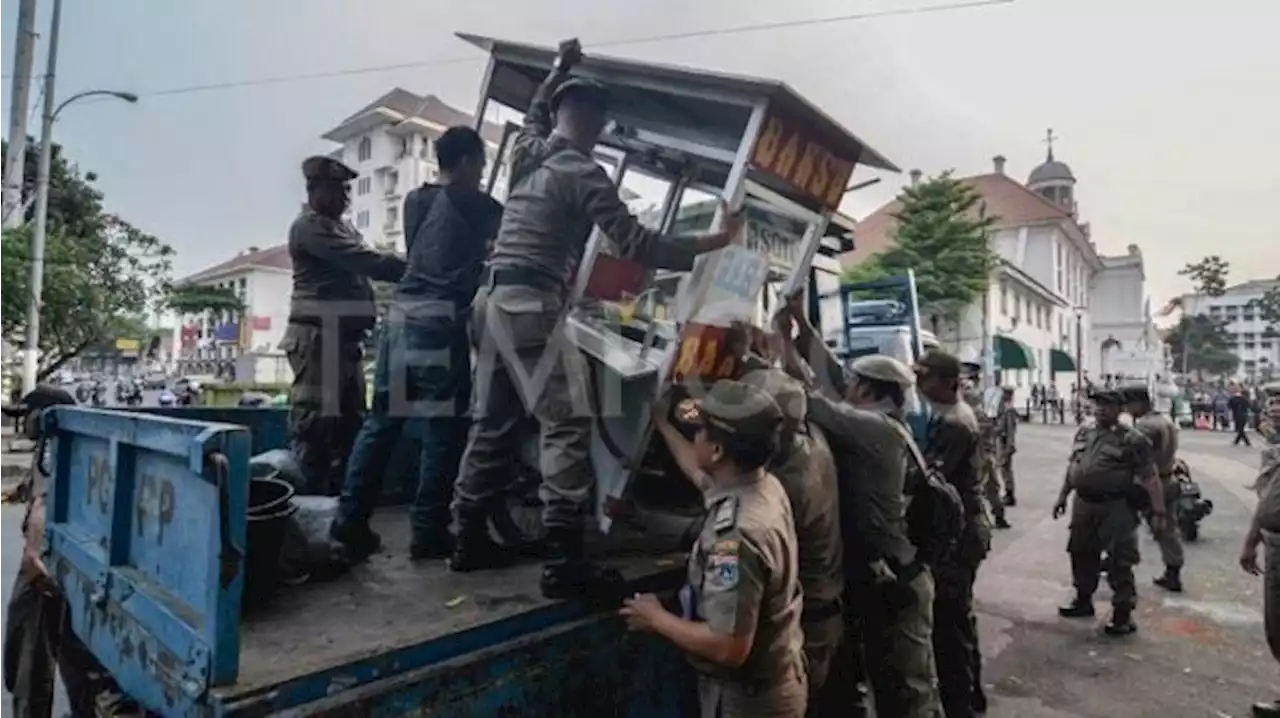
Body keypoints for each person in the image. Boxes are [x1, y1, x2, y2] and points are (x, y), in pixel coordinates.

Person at [450, 38, 743, 599]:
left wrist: (558, 68)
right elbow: (636, 242)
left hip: (488, 304)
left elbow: (533, 114)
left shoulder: (528, 152)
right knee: (568, 422)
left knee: (493, 421)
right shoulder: (583, 173)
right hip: (530, 306)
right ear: (593, 120)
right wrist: (717, 241)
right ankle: (564, 563)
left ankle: (465, 535)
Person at [330, 126, 504, 562]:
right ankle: (427, 531)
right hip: (438, 320)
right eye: (480, 165)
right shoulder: (476, 203)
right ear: (466, 162)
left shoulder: (413, 200)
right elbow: (512, 233)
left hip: (400, 318)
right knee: (444, 430)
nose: (482, 174)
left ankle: (349, 523)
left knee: (381, 423)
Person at [776, 304, 939, 718]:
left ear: (868, 392)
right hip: (890, 574)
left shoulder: (872, 429)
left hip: (894, 580)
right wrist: (802, 327)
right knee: (883, 678)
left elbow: (808, 400)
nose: (845, 386)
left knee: (906, 689)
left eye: (854, 383)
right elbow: (830, 377)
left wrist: (774, 349)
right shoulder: (881, 421)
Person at [620, 379, 807, 717]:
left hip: (749, 703)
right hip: (776, 681)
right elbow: (701, 475)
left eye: (700, 431)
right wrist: (662, 420)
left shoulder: (734, 538)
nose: (695, 436)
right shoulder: (762, 485)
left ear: (718, 451)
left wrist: (656, 619)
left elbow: (728, 646)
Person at [284, 155, 407, 495]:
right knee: (317, 425)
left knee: (350, 423)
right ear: (316, 190)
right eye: (338, 190)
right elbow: (365, 261)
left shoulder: (343, 227)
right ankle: (307, 511)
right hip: (318, 339)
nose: (346, 198)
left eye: (347, 191)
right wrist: (418, 267)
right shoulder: (309, 227)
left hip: (343, 341)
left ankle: (336, 511)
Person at [1, 385, 123, 716]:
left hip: (44, 569)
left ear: (44, 416)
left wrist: (32, 557)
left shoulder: (54, 447)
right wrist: (16, 493)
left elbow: (43, 504)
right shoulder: (68, 444)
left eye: (27, 415)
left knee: (29, 657)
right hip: (72, 564)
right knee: (73, 649)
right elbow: (39, 487)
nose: (23, 422)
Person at [1053, 389, 1164, 636]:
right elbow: (1075, 466)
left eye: (1108, 405)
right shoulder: (1084, 432)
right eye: (1097, 404)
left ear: (1120, 409)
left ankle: (1123, 613)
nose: (1101, 409)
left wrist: (1158, 511)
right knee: (1081, 552)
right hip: (1084, 504)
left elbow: (1150, 476)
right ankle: (1083, 599)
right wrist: (1063, 496)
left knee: (1119, 560)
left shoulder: (1133, 439)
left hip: (1116, 507)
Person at [916, 351, 991, 718]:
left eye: (926, 376)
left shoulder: (954, 423)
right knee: (958, 618)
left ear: (947, 382)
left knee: (948, 626)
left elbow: (929, 478)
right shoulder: (947, 415)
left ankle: (961, 705)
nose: (919, 382)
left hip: (959, 533)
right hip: (962, 526)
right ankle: (971, 695)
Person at [1238, 388, 1280, 717]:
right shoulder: (1274, 451)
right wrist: (1251, 541)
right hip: (1274, 545)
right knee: (1276, 625)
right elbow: (1265, 501)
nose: (1275, 409)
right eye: (1272, 403)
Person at [1122, 384, 1185, 593]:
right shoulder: (1165, 421)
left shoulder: (1144, 427)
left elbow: (1139, 459)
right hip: (1169, 477)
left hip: (1149, 483)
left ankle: (1119, 561)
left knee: (1126, 523)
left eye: (1128, 404)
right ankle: (1173, 570)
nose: (1126, 409)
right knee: (1168, 529)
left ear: (1138, 403)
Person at [964, 364, 1010, 531]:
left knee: (984, 487)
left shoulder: (971, 412)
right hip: (983, 454)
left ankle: (992, 518)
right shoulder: (978, 411)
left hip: (980, 454)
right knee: (988, 487)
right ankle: (995, 517)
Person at [995, 386, 1018, 507]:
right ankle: (1008, 492)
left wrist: (1010, 446)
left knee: (1006, 469)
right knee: (1004, 468)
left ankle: (1010, 494)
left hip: (1005, 442)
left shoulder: (1009, 410)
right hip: (1002, 440)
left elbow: (1010, 430)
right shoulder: (1004, 407)